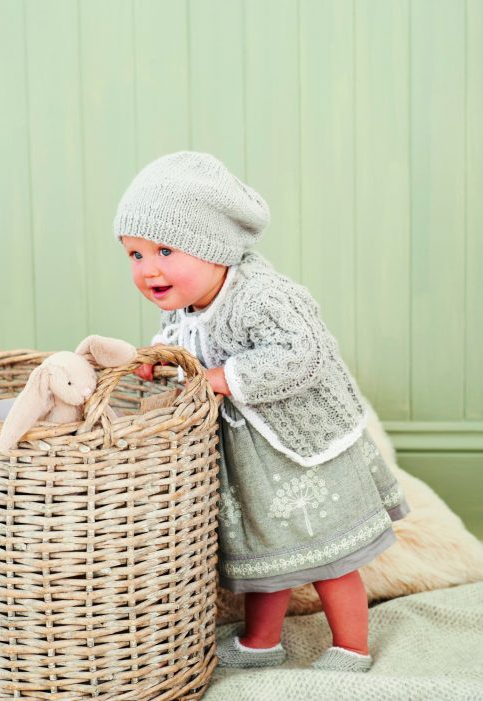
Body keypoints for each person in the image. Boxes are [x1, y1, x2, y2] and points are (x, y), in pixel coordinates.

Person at [112, 150, 411, 673]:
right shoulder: (188, 305)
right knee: (267, 555)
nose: (148, 268)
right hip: (253, 461)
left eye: (164, 250)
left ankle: (352, 646)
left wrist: (223, 378)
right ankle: (260, 641)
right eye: (135, 254)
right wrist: (161, 362)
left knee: (329, 554)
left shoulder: (261, 296)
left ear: (214, 247)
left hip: (302, 448)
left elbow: (303, 354)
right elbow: (185, 348)